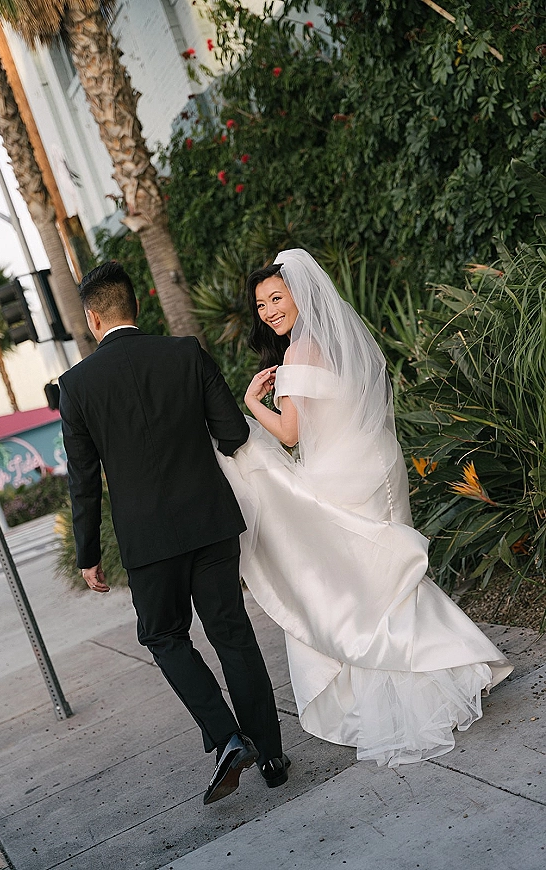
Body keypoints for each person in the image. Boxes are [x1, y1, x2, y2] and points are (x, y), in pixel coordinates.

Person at [215, 248, 512, 768]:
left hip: (340, 474)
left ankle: (418, 686)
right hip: (375, 465)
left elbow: (289, 433)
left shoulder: (298, 355)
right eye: (261, 304)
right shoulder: (336, 346)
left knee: (358, 591)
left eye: (276, 298)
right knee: (388, 581)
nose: (267, 311)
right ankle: (451, 667)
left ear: (301, 297)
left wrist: (252, 402)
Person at [58, 262, 289, 805]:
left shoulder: (75, 387)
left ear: (93, 319)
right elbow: (232, 434)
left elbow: (83, 480)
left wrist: (87, 553)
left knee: (163, 637)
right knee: (231, 632)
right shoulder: (185, 353)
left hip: (147, 542)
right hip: (211, 522)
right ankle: (273, 757)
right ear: (136, 307)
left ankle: (227, 735)